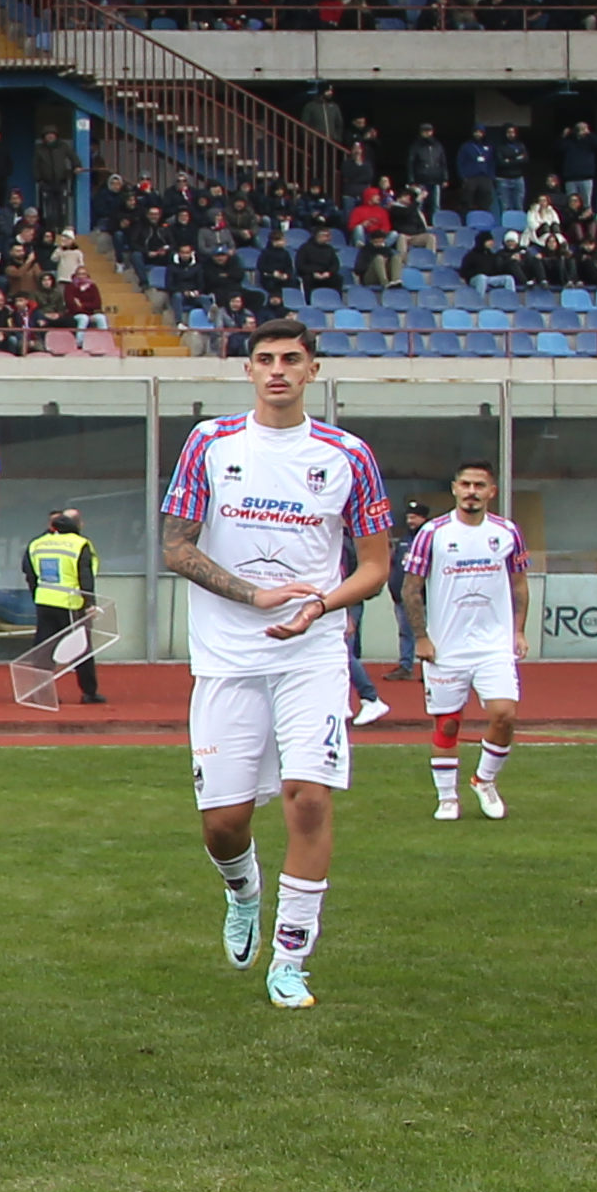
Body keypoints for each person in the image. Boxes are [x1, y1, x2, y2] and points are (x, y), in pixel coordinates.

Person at [159, 314, 395, 1013]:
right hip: (228, 658)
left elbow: (375, 566)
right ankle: (243, 892)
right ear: (249, 370)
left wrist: (319, 607)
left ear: (313, 370)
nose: (278, 370)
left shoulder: (348, 453)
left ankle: (291, 958)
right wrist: (256, 594)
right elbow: (176, 546)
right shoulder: (210, 443)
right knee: (223, 824)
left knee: (310, 797)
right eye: (265, 359)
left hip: (313, 654)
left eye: (292, 358)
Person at [394, 463, 524, 820]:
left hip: (493, 645)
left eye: (479, 485)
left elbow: (519, 585)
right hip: (446, 646)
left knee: (504, 714)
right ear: (454, 489)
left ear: (491, 492)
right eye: (465, 484)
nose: (472, 491)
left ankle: (484, 780)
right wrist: (421, 637)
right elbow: (411, 587)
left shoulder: (507, 532)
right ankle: (447, 797)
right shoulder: (433, 533)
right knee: (448, 723)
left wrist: (518, 631)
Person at [22, 506, 101, 706]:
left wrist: (37, 595)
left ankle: (41, 692)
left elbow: (30, 574)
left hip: (45, 602)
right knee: (81, 648)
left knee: (44, 650)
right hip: (72, 604)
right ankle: (89, 692)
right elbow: (86, 576)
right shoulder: (80, 544)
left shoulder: (37, 544)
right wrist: (90, 603)